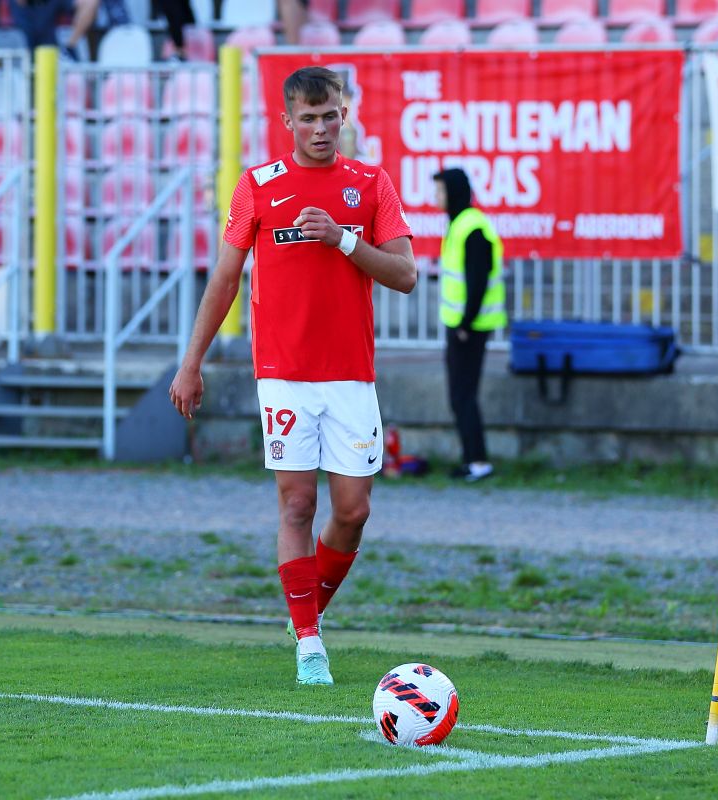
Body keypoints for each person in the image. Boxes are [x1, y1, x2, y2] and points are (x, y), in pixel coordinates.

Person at [168, 66, 416, 686]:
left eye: (330, 115)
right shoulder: (257, 186)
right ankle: (309, 643)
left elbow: (406, 274)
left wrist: (342, 240)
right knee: (297, 503)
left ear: (344, 114)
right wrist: (191, 362)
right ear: (288, 122)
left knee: (353, 511)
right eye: (308, 118)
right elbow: (225, 279)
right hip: (283, 373)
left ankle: (307, 611)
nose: (321, 128)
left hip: (350, 373)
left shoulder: (371, 183)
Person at [433, 167, 506, 483]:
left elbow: (478, 279)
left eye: (440, 191)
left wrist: (466, 323)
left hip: (470, 327)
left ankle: (477, 461)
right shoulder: (459, 223)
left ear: (454, 192)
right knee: (460, 394)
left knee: (463, 394)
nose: (436, 197)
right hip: (462, 324)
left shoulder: (472, 227)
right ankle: (472, 459)